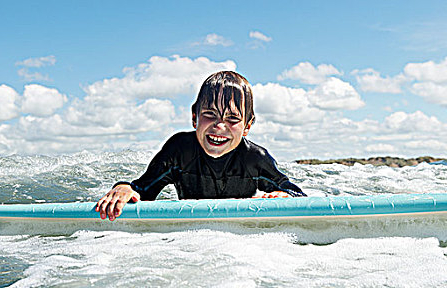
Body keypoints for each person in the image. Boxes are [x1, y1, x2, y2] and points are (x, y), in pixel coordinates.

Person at [96, 71, 306, 221]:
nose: (219, 126)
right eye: (210, 115)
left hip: (240, 237)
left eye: (232, 119)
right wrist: (123, 188)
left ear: (247, 126)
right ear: (195, 117)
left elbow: (298, 196)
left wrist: (286, 197)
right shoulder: (179, 151)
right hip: (191, 237)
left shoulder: (254, 158)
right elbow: (143, 189)